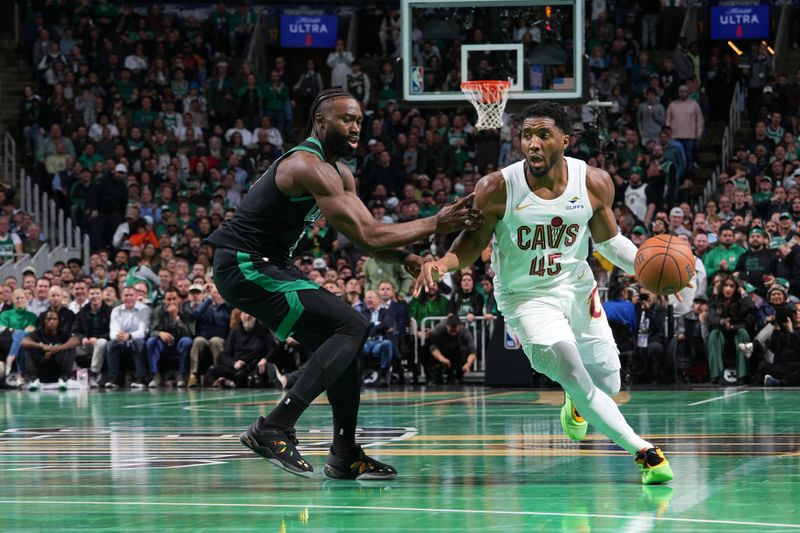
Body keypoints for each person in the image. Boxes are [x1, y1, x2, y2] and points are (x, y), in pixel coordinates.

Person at [207, 88, 482, 480]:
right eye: (345, 119)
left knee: (344, 345)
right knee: (352, 324)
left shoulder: (340, 172)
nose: (356, 127)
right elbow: (371, 235)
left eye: (358, 120)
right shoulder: (306, 164)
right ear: (320, 122)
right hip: (243, 264)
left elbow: (364, 235)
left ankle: (344, 453)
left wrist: (406, 258)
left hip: (272, 265)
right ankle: (275, 426)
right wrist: (437, 222)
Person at [416, 102, 673, 484]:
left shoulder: (593, 181)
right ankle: (644, 452)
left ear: (565, 141)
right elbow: (470, 244)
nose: (532, 144)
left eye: (543, 135)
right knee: (570, 363)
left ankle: (576, 402)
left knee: (609, 383)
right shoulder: (497, 187)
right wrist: (441, 264)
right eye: (526, 135)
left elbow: (608, 242)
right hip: (525, 297)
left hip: (576, 288)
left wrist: (646, 266)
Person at [21, 309, 79, 391]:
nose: (51, 322)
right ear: (44, 321)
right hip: (41, 369)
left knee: (70, 347)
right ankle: (33, 379)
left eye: (55, 319)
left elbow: (75, 341)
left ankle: (64, 378)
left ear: (58, 321)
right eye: (49, 319)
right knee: (28, 348)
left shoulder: (62, 333)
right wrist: (43, 347)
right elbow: (24, 342)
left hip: (57, 369)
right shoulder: (38, 333)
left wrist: (57, 348)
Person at [426, 313, 476, 385]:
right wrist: (441, 358)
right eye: (451, 330)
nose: (453, 332)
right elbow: (433, 347)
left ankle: (458, 376)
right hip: (442, 351)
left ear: (459, 326)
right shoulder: (439, 329)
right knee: (426, 349)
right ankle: (435, 377)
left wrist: (468, 364)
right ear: (446, 326)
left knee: (464, 349)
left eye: (455, 329)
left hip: (456, 353)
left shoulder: (464, 331)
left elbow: (472, 351)